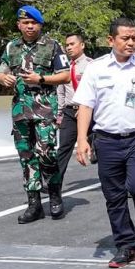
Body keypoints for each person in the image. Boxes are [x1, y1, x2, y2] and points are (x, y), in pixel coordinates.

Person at [72, 18, 135, 267]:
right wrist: (82, 139)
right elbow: (85, 105)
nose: (131, 42)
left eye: (134, 38)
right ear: (111, 40)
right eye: (125, 38)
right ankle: (125, 245)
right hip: (106, 141)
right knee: (114, 196)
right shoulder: (96, 69)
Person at [0, 5, 70, 223]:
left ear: (40, 24)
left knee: (47, 153)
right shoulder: (12, 47)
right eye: (25, 23)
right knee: (26, 157)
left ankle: (55, 195)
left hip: (45, 109)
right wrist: (4, 79)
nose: (29, 26)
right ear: (19, 25)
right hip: (20, 111)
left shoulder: (52, 45)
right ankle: (34, 204)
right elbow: (1, 71)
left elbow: (66, 76)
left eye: (33, 23)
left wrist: (41, 79)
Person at [55, 32, 94, 190]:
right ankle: (54, 183)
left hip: (89, 112)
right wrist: (59, 113)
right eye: (67, 45)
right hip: (70, 112)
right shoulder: (64, 67)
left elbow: (96, 90)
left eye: (72, 44)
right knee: (63, 148)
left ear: (82, 45)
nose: (69, 47)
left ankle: (121, 183)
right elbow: (60, 91)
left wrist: (87, 108)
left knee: (105, 148)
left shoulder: (92, 65)